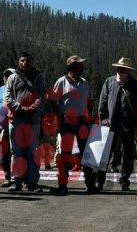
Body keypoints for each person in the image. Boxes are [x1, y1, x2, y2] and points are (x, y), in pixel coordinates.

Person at [48, 55, 97, 195]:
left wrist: (90, 116)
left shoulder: (84, 83)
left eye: (82, 64)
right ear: (71, 66)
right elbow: (53, 100)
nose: (82, 67)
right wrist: (59, 116)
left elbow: (89, 101)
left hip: (82, 121)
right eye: (79, 65)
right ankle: (62, 184)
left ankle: (90, 183)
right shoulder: (62, 82)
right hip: (67, 122)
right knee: (65, 154)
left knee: (86, 153)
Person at [97, 57, 137, 192]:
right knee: (106, 153)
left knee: (128, 155)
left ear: (128, 70)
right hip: (110, 125)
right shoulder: (109, 82)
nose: (120, 70)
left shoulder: (135, 85)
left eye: (123, 69)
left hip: (128, 126)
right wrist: (103, 119)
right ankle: (100, 179)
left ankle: (125, 181)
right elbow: (103, 101)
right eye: (119, 68)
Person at [5, 52, 46, 192]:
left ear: (32, 62)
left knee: (32, 152)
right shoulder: (12, 78)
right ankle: (15, 182)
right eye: (22, 60)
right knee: (16, 152)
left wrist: (32, 109)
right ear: (18, 61)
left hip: (33, 120)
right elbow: (8, 97)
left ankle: (32, 183)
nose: (25, 63)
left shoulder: (38, 77)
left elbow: (41, 96)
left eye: (28, 60)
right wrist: (21, 108)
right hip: (16, 119)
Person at [0, 68, 14, 188]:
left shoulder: (19, 89)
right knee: (3, 154)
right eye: (6, 76)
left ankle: (20, 178)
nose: (7, 78)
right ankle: (7, 177)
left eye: (10, 75)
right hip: (1, 128)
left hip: (17, 126)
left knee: (16, 153)